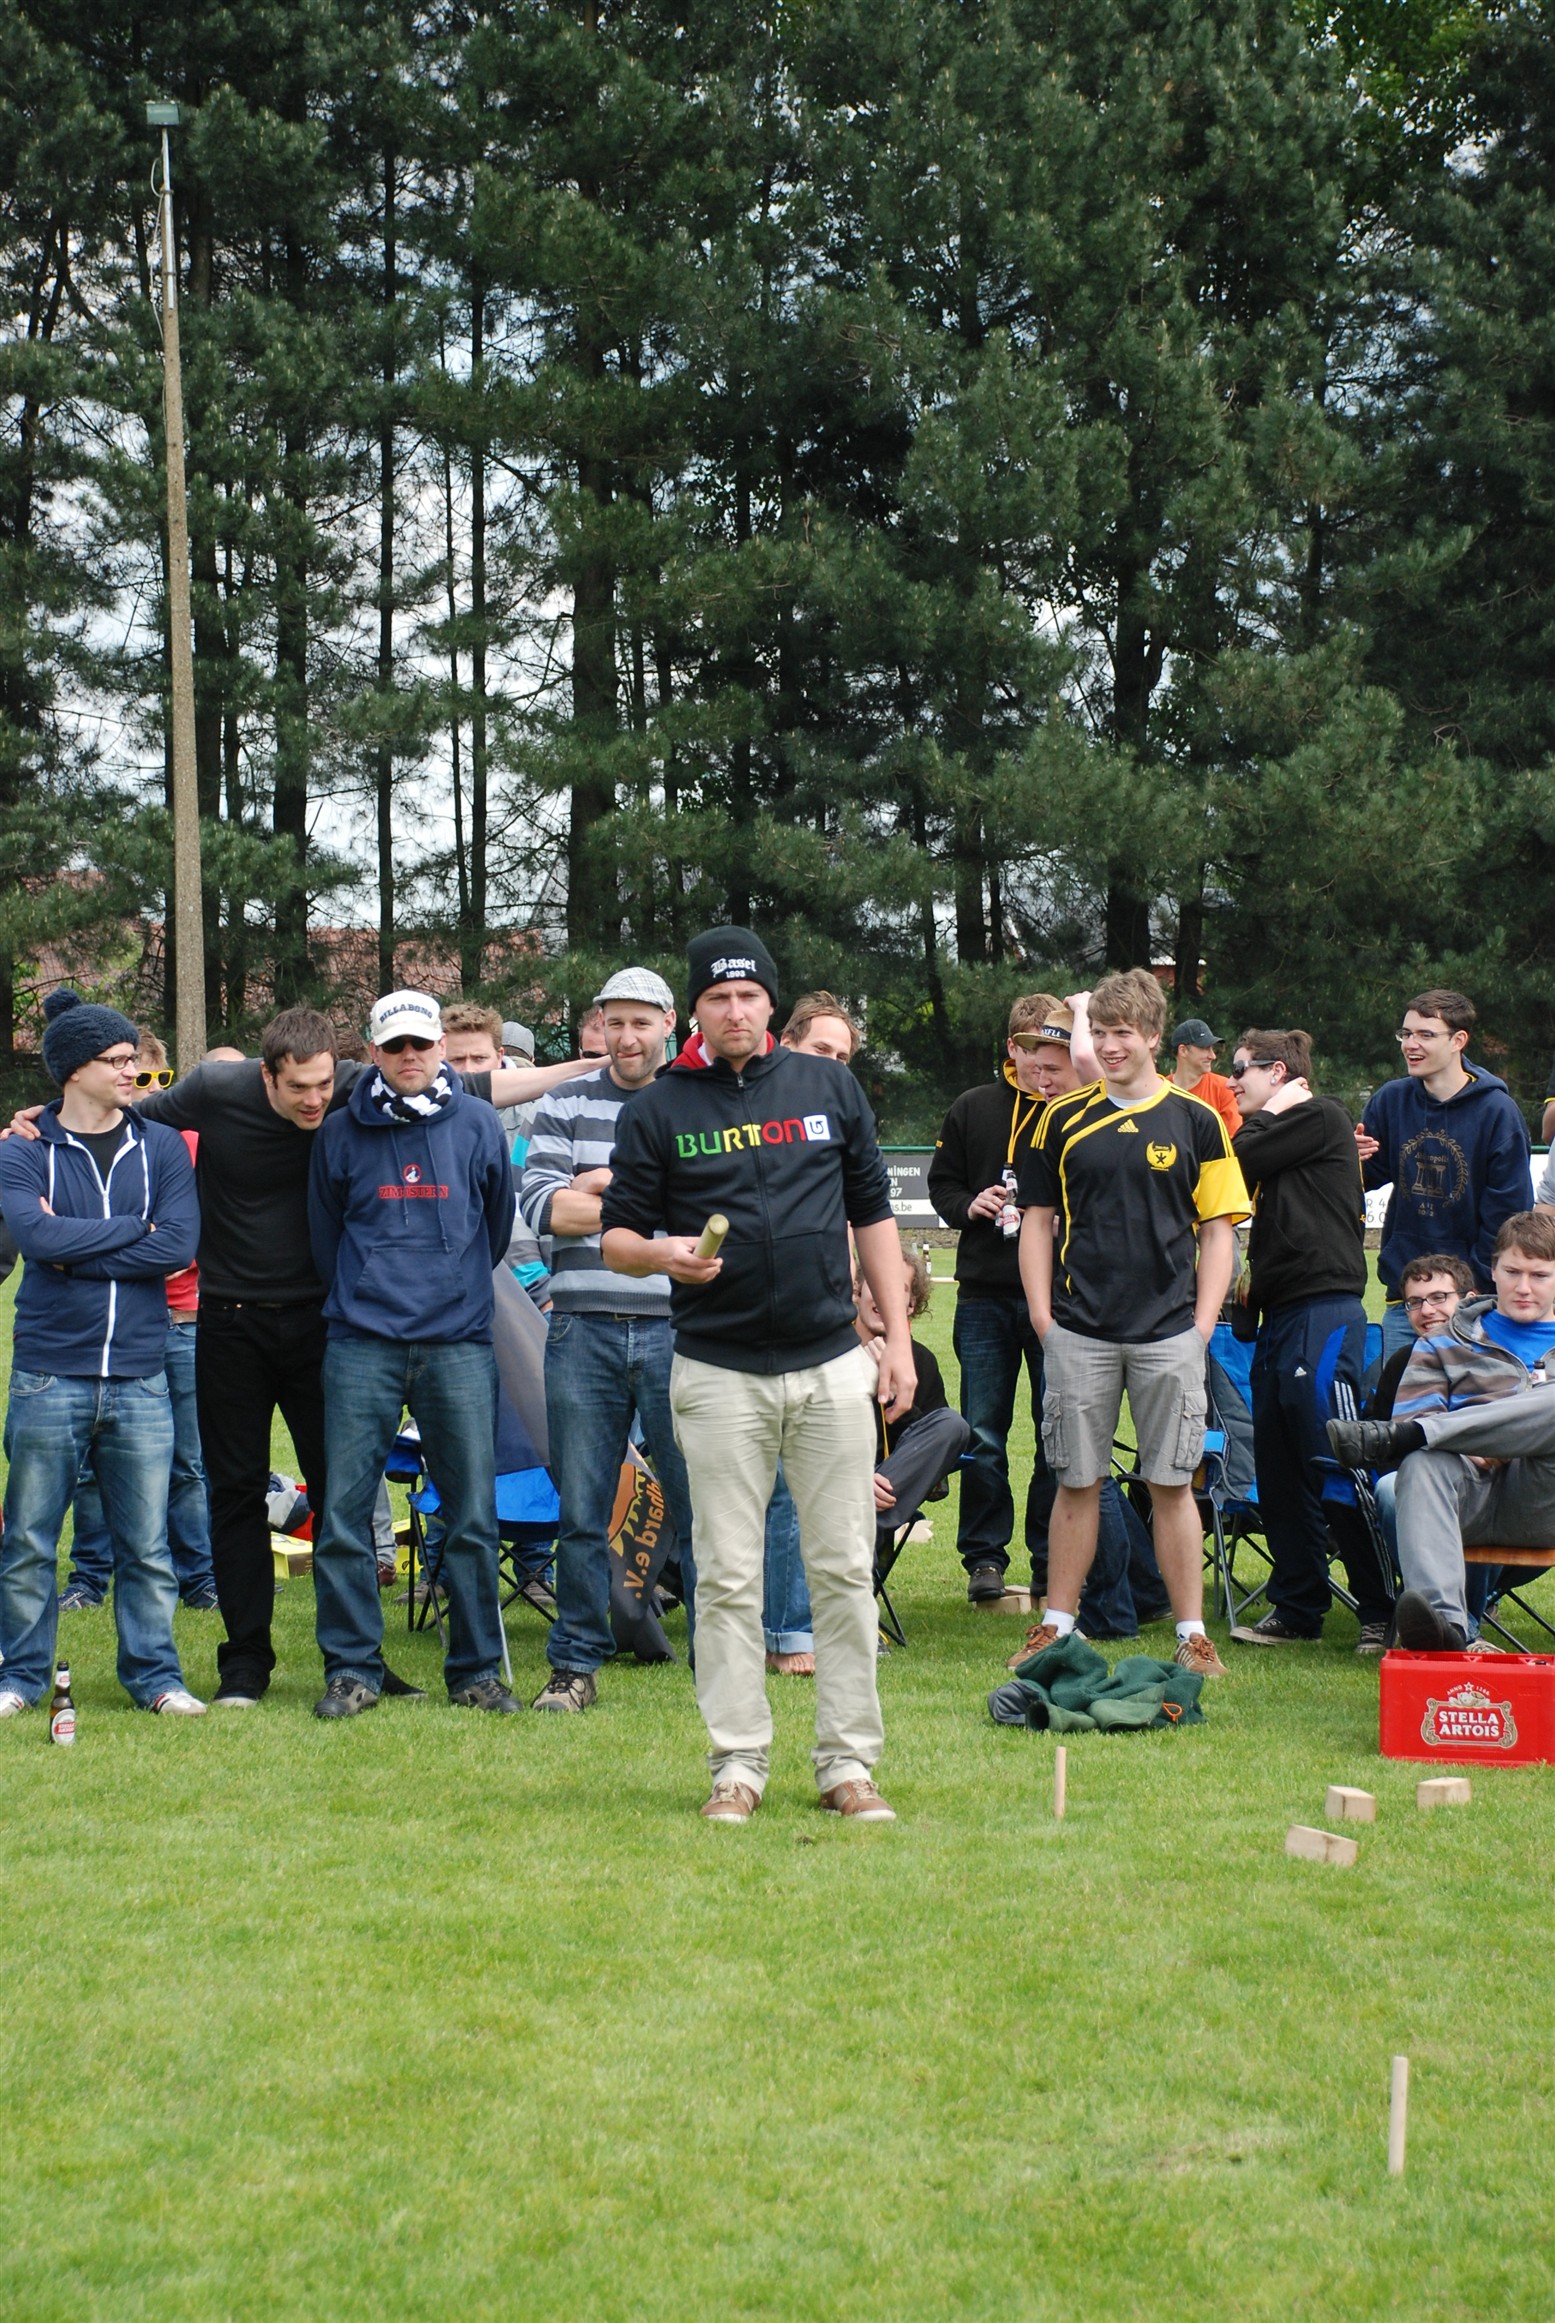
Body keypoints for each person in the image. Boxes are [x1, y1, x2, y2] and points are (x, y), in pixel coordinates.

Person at [5, 1006, 591, 1705]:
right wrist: (38, 1115)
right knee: (234, 1491)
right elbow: (122, 1105)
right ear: (266, 1077)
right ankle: (245, 1661)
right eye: (297, 1088)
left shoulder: (357, 1085)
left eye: (323, 1085)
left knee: (341, 1494)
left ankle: (363, 1663)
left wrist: (590, 1066)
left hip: (322, 1322)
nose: (314, 1100)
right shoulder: (216, 1088)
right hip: (231, 1319)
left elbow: (481, 1090)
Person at [601, 925, 911, 1822]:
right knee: (728, 1576)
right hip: (716, 1370)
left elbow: (872, 1215)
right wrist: (661, 1254)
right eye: (717, 997)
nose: (734, 1010)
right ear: (693, 1010)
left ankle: (847, 1764)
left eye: (748, 995)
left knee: (843, 1568)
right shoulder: (658, 1108)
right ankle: (736, 1765)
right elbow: (616, 1237)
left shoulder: (826, 1086)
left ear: (770, 1002)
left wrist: (893, 1338)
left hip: (829, 1363)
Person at [1015, 968, 1248, 1680]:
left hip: (1169, 1334)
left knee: (1171, 1484)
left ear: (1153, 1036)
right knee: (1076, 1480)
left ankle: (1192, 1636)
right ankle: (1055, 1627)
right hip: (1078, 1330)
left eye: (1123, 1033)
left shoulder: (1197, 1120)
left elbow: (1219, 1231)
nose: (1110, 1046)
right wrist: (1043, 1317)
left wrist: (1201, 1326)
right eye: (1101, 1032)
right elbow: (1036, 1222)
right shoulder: (1057, 1118)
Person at [307, 990, 518, 1716]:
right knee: (343, 1516)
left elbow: (494, 1228)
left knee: (472, 1516)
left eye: (420, 1045)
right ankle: (352, 1670)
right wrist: (368, 1291)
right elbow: (325, 1238)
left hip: (457, 1343)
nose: (408, 1057)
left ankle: (476, 1672)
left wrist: (453, 1288)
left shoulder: (478, 1123)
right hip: (360, 1343)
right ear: (372, 1051)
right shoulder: (339, 1131)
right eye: (394, 1046)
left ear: (439, 1047)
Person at [0, 990, 205, 1718]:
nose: (131, 1071)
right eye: (116, 1060)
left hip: (142, 1374)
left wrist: (74, 1250)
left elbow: (177, 1244)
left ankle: (156, 1678)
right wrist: (131, 1230)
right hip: (49, 1373)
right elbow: (36, 1237)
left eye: (131, 1058)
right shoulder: (23, 1148)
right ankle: (19, 1679)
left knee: (146, 1547)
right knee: (30, 1542)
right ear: (73, 1070)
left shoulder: (160, 1145)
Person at [516, 966, 696, 1712]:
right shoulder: (563, 1101)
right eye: (612, 1021)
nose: (625, 1036)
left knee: (700, 1504)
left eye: (640, 1022)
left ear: (669, 1023)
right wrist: (646, 1200)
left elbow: (708, 1206)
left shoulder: (695, 1100)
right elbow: (542, 1209)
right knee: (582, 1512)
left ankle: (717, 1659)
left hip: (679, 1329)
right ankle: (574, 1665)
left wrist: (596, 1185)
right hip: (580, 1326)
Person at [1223, 1029, 1392, 1652]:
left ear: (1278, 1072)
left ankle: (1381, 1609)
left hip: (1324, 1310)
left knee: (1334, 1455)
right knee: (1278, 1466)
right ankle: (1298, 1607)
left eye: (1241, 1069)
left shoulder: (1320, 1116)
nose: (1232, 1081)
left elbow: (1238, 1157)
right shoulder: (1288, 1131)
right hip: (1280, 1317)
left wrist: (1275, 1107)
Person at [1328, 1210, 1555, 1653]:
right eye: (1512, 1272)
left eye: (1539, 1275)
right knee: (1420, 1461)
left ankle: (1418, 1435)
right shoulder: (1441, 1343)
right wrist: (1482, 1444)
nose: (1523, 1287)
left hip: (1542, 1501)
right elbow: (1416, 1421)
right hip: (1465, 1497)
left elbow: (1419, 1428)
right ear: (1493, 1270)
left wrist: (1492, 1441)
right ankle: (1445, 1625)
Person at [58, 1029, 218, 1613]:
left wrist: (96, 1247)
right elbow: (59, 1235)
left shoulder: (186, 1145)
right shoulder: (83, 1147)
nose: (146, 1088)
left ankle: (198, 1575)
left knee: (187, 1461)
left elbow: (181, 1243)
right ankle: (89, 1576)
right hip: (117, 1322)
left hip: (187, 1317)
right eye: (135, 1075)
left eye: (158, 1079)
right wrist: (138, 1239)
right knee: (91, 1464)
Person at [927, 993, 1069, 1603]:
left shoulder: (1077, 1109)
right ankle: (984, 1558)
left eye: (1056, 1050)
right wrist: (970, 1205)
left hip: (1059, 1298)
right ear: (1013, 1048)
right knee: (983, 1433)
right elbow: (942, 1186)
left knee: (1054, 1433)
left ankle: (1050, 1557)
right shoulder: (974, 1107)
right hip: (984, 1294)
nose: (1045, 1063)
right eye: (1035, 1050)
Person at [762, 992, 866, 1675]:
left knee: (813, 1488)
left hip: (824, 1325)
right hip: (744, 1331)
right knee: (768, 1490)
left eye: (843, 1056)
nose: (831, 1064)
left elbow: (862, 1214)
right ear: (788, 1043)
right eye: (821, 1049)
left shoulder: (841, 1119)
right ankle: (778, 1631)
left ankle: (799, 1629)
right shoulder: (750, 1111)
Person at [1357, 988, 1531, 1360]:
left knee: (1472, 1398)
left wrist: (1467, 1288)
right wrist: (1350, 1159)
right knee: (1401, 1396)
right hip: (1406, 1301)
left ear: (1458, 1040)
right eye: (1406, 1034)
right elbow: (1362, 1179)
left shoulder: (1498, 1112)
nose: (1410, 1044)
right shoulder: (1391, 1100)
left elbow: (1507, 1217)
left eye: (1425, 1034)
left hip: (1472, 1304)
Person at [855, 1246, 971, 1548]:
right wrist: (855, 1481)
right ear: (857, 1292)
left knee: (952, 1425)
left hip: (887, 1492)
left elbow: (932, 1457)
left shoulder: (921, 1362)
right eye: (877, 1284)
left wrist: (896, 1398)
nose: (885, 1296)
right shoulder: (831, 1353)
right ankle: (857, 1516)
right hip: (833, 1483)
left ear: (911, 1305)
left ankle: (860, 1521)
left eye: (898, 1289)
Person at [441, 1000, 550, 1301]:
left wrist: (539, 1287)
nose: (468, 1071)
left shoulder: (539, 1113)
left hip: (526, 1280)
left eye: (479, 1058)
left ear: (500, 1056)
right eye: (457, 1060)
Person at [1167, 1016, 1242, 1140]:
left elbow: (1233, 1142)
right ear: (1183, 1051)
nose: (1212, 1056)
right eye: (1205, 1048)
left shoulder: (1224, 1088)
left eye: (1212, 1049)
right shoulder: (1159, 1091)